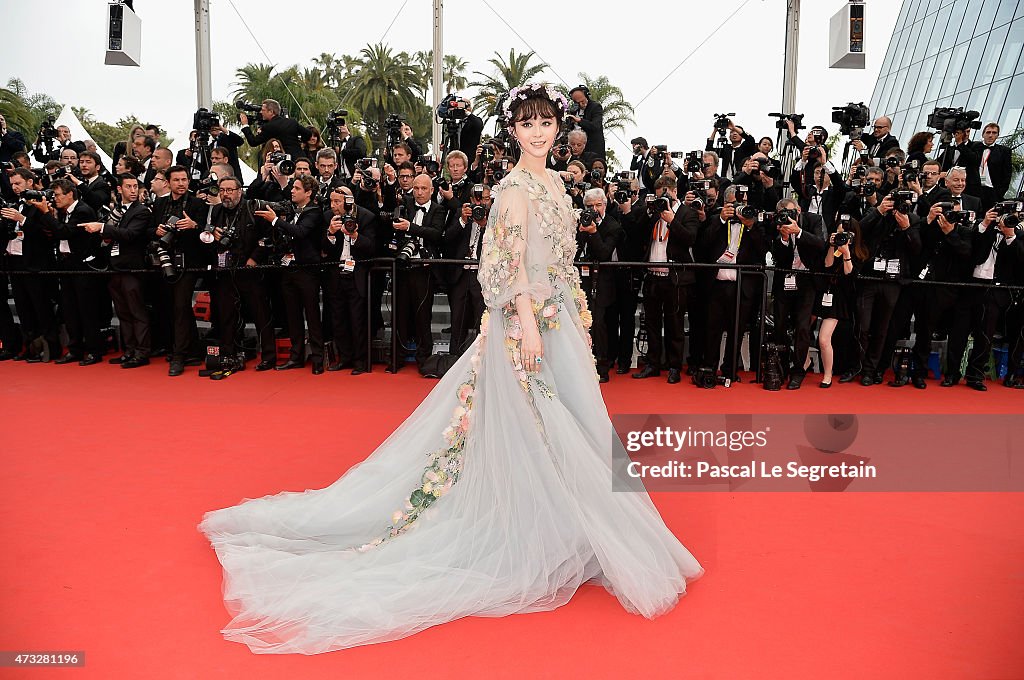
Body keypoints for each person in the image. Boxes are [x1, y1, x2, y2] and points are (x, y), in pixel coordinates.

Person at [199, 82, 703, 654]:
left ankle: (572, 528)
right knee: (540, 429)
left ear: (558, 129)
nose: (537, 132)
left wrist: (573, 315)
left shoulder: (559, 185)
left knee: (581, 429)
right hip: (526, 326)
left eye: (546, 122)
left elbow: (563, 260)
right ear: (512, 132)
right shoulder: (513, 190)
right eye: (527, 123)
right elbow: (500, 265)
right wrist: (530, 324)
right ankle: (539, 528)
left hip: (563, 322)